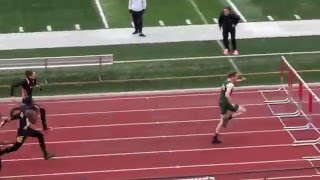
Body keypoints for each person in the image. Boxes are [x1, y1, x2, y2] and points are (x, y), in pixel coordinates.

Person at [212, 72, 246, 144]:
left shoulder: (226, 81)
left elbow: (235, 82)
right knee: (243, 110)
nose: (237, 78)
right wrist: (231, 104)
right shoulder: (230, 84)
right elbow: (227, 95)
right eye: (236, 76)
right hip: (226, 103)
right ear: (232, 77)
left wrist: (241, 80)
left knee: (222, 121)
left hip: (221, 102)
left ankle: (215, 137)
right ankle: (229, 117)